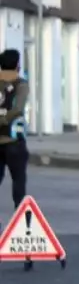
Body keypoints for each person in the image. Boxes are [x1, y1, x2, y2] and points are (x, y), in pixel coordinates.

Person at [0, 49, 30, 210]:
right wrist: (4, 120)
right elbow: (18, 108)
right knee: (18, 182)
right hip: (13, 140)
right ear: (17, 64)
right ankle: (19, 220)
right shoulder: (21, 84)